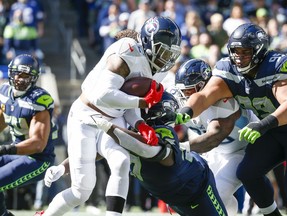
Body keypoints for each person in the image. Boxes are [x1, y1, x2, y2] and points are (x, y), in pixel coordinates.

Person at [35, 16, 182, 216]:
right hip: (86, 116)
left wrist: (139, 123)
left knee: (121, 162)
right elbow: (103, 96)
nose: (167, 59)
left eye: (170, 54)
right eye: (164, 52)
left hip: (114, 117)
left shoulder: (153, 67)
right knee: (82, 190)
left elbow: (127, 101)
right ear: (149, 43)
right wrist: (142, 102)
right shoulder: (126, 51)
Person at [43, 91, 228, 216]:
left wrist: (109, 127)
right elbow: (95, 152)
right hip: (171, 195)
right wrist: (63, 167)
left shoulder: (163, 132)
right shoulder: (129, 127)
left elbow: (157, 154)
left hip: (197, 186)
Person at [179, 23, 287, 216]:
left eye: (245, 51)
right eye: (235, 51)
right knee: (248, 172)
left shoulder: (275, 65)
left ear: (260, 50)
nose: (239, 57)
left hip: (272, 125)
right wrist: (187, 111)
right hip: (272, 130)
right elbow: (204, 96)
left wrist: (263, 124)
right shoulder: (228, 69)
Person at [170, 58, 258, 215]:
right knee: (195, 193)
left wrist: (178, 147)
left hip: (242, 150)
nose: (185, 96)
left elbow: (213, 138)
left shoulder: (223, 101)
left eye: (189, 91)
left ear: (203, 85)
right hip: (214, 152)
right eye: (183, 91)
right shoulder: (180, 100)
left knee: (219, 194)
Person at [0, 53, 56, 216]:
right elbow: (2, 121)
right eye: (18, 74)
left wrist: (5, 149)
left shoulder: (38, 100)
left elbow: (37, 143)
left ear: (34, 78)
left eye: (27, 76)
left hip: (38, 159)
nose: (21, 79)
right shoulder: (4, 92)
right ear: (11, 73)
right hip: (15, 152)